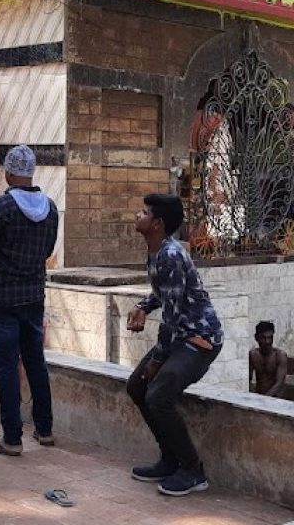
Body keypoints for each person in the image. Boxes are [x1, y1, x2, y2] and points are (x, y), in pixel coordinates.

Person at [126, 193, 224, 497]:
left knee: (156, 394)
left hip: (200, 338)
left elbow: (173, 316)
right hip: (181, 336)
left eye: (143, 213)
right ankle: (169, 459)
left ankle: (193, 470)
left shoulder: (170, 254)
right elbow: (164, 292)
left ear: (157, 224)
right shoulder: (156, 251)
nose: (136, 216)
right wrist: (143, 306)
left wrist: (157, 359)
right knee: (136, 387)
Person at [0, 144, 58, 457]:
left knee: (7, 366)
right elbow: (47, 252)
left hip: (3, 296)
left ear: (7, 172)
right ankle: (44, 430)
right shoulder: (50, 208)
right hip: (34, 295)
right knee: (35, 361)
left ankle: (11, 437)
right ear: (32, 172)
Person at [249, 320, 287, 397]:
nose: (267, 341)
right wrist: (253, 394)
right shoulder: (253, 355)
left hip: (276, 399)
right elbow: (248, 379)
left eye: (270, 337)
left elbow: (279, 383)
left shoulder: (280, 355)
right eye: (263, 338)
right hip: (259, 396)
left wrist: (264, 399)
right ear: (256, 338)